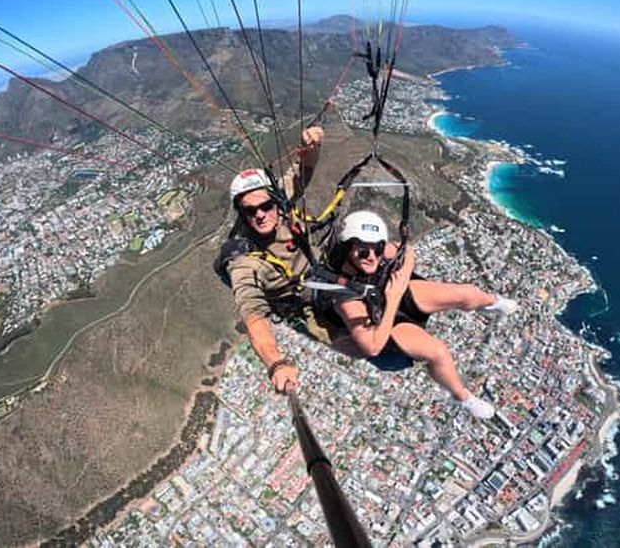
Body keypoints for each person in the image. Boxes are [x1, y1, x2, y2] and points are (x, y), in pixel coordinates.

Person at [329, 210, 518, 419]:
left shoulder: (375, 249)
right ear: (347, 248)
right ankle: (462, 397)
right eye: (363, 252)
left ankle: (491, 303)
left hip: (396, 296)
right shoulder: (345, 297)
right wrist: (394, 295)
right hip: (383, 322)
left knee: (466, 293)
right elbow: (372, 346)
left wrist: (400, 282)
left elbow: (407, 251)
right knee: (438, 352)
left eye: (378, 249)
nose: (372, 257)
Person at [221, 126, 329, 395]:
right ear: (241, 213)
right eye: (250, 210)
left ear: (275, 203)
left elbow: (302, 172)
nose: (260, 214)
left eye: (266, 206)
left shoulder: (278, 200)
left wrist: (313, 144)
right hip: (300, 301)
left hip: (320, 274)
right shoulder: (242, 259)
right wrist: (276, 363)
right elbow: (253, 316)